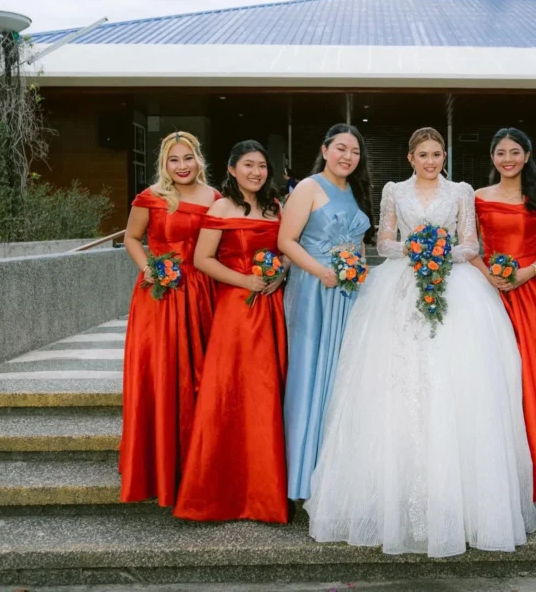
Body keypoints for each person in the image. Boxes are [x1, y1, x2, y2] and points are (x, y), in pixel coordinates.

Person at [305, 127, 536, 558]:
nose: (431, 161)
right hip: (401, 285)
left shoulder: (461, 191)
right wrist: (414, 250)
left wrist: (441, 252)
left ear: (444, 156)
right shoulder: (394, 191)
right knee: (396, 381)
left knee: (459, 382)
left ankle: (464, 506)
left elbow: (470, 243)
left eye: (437, 154)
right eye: (423, 155)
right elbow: (383, 242)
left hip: (456, 285)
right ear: (410, 158)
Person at [174, 140, 290, 523]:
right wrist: (245, 281)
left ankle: (264, 494)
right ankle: (219, 494)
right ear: (232, 168)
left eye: (262, 166)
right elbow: (201, 259)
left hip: (270, 308)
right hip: (235, 311)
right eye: (248, 165)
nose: (256, 172)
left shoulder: (275, 208)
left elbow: (286, 249)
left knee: (265, 394)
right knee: (230, 393)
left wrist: (280, 273)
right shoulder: (220, 207)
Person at [120, 131, 219, 506]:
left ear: (198, 159)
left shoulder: (216, 199)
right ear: (164, 164)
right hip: (159, 297)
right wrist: (148, 268)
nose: (182, 166)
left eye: (187, 158)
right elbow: (132, 238)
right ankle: (157, 463)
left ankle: (196, 461)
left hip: (202, 293)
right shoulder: (150, 198)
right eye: (174, 160)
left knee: (199, 374)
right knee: (160, 374)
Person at [277, 124, 373, 501]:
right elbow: (286, 241)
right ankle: (304, 474)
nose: (348, 156)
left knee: (342, 375)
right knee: (312, 370)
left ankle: (339, 471)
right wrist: (321, 272)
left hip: (349, 292)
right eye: (341, 148)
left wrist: (361, 272)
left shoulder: (355, 191)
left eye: (355, 151)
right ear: (324, 150)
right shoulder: (307, 187)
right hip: (316, 289)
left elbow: (358, 243)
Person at [473, 127, 536, 504]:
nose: (507, 159)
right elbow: (469, 246)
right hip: (488, 291)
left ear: (527, 156)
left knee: (532, 374)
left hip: (531, 291)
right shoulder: (477, 197)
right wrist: (488, 275)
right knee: (493, 377)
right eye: (501, 152)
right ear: (492, 157)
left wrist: (528, 272)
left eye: (515, 152)